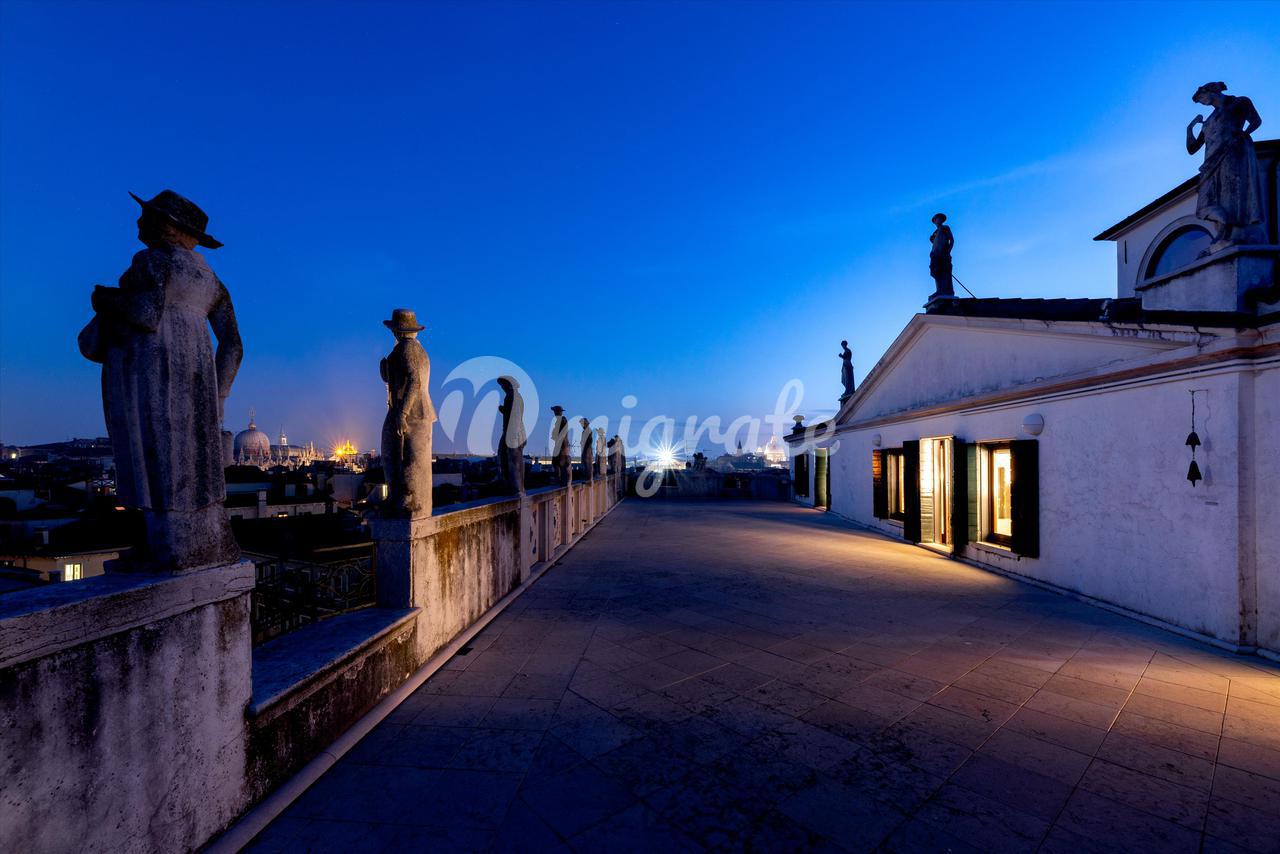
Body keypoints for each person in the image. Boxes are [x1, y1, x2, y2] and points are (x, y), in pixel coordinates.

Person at [79, 190, 242, 570]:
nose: (138, 222)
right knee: (191, 460)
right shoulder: (209, 280)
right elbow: (233, 345)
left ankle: (165, 549)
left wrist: (105, 300)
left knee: (155, 453)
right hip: (198, 374)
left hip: (154, 367)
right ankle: (196, 545)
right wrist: (217, 396)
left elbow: (147, 313)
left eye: (147, 216)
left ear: (168, 227)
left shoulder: (152, 261)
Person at [1187, 82, 1265, 249]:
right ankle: (1225, 230)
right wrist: (1190, 128)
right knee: (1205, 204)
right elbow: (1192, 149)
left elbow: (1256, 121)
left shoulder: (1239, 103)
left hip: (1232, 153)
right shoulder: (1209, 121)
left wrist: (1243, 134)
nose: (1202, 103)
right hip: (1210, 164)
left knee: (1230, 194)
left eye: (1202, 98)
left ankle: (1229, 232)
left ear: (1212, 91)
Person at [379, 308, 435, 517]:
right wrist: (386, 370)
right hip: (412, 410)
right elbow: (400, 380)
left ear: (398, 330)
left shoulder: (407, 349)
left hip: (410, 412)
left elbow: (414, 381)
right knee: (401, 455)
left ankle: (406, 500)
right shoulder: (411, 348)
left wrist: (402, 414)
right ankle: (402, 498)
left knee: (403, 457)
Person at [497, 376, 527, 495]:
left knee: (513, 461)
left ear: (509, 385)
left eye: (503, 385)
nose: (502, 388)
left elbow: (515, 416)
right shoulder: (516, 397)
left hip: (513, 433)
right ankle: (517, 488)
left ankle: (517, 489)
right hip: (514, 432)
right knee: (512, 459)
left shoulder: (512, 396)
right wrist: (504, 411)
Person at [929, 213, 955, 298]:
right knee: (936, 272)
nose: (938, 220)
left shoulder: (945, 228)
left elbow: (951, 240)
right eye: (936, 219)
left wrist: (948, 252)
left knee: (945, 271)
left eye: (939, 218)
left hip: (943, 254)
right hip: (935, 255)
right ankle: (939, 290)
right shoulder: (935, 233)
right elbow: (935, 243)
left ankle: (948, 291)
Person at [550, 405, 571, 486]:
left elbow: (558, 433)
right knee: (558, 461)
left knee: (557, 461)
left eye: (555, 411)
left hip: (561, 444)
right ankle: (561, 479)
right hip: (562, 444)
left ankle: (559, 479)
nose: (554, 413)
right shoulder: (562, 420)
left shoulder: (561, 420)